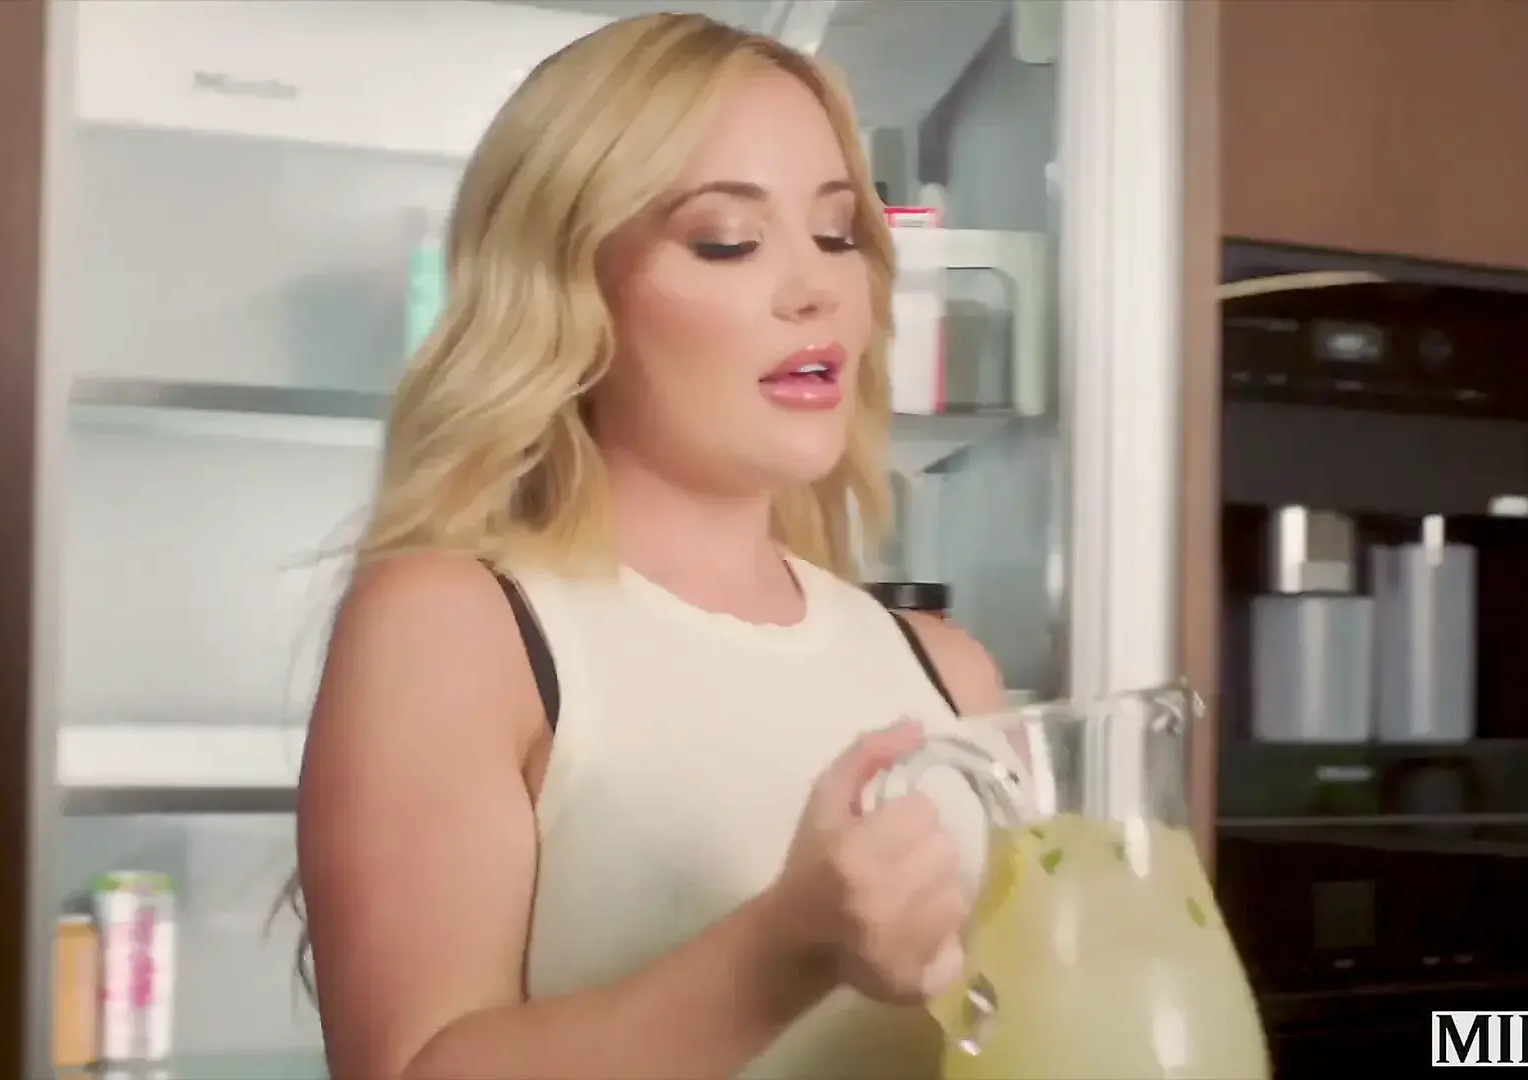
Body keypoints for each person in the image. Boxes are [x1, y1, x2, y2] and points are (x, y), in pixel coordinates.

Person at [291, 12, 1009, 1080]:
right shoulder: (457, 628)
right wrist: (783, 951)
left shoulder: (949, 674)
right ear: (570, 293)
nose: (815, 287)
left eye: (836, 233)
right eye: (727, 240)